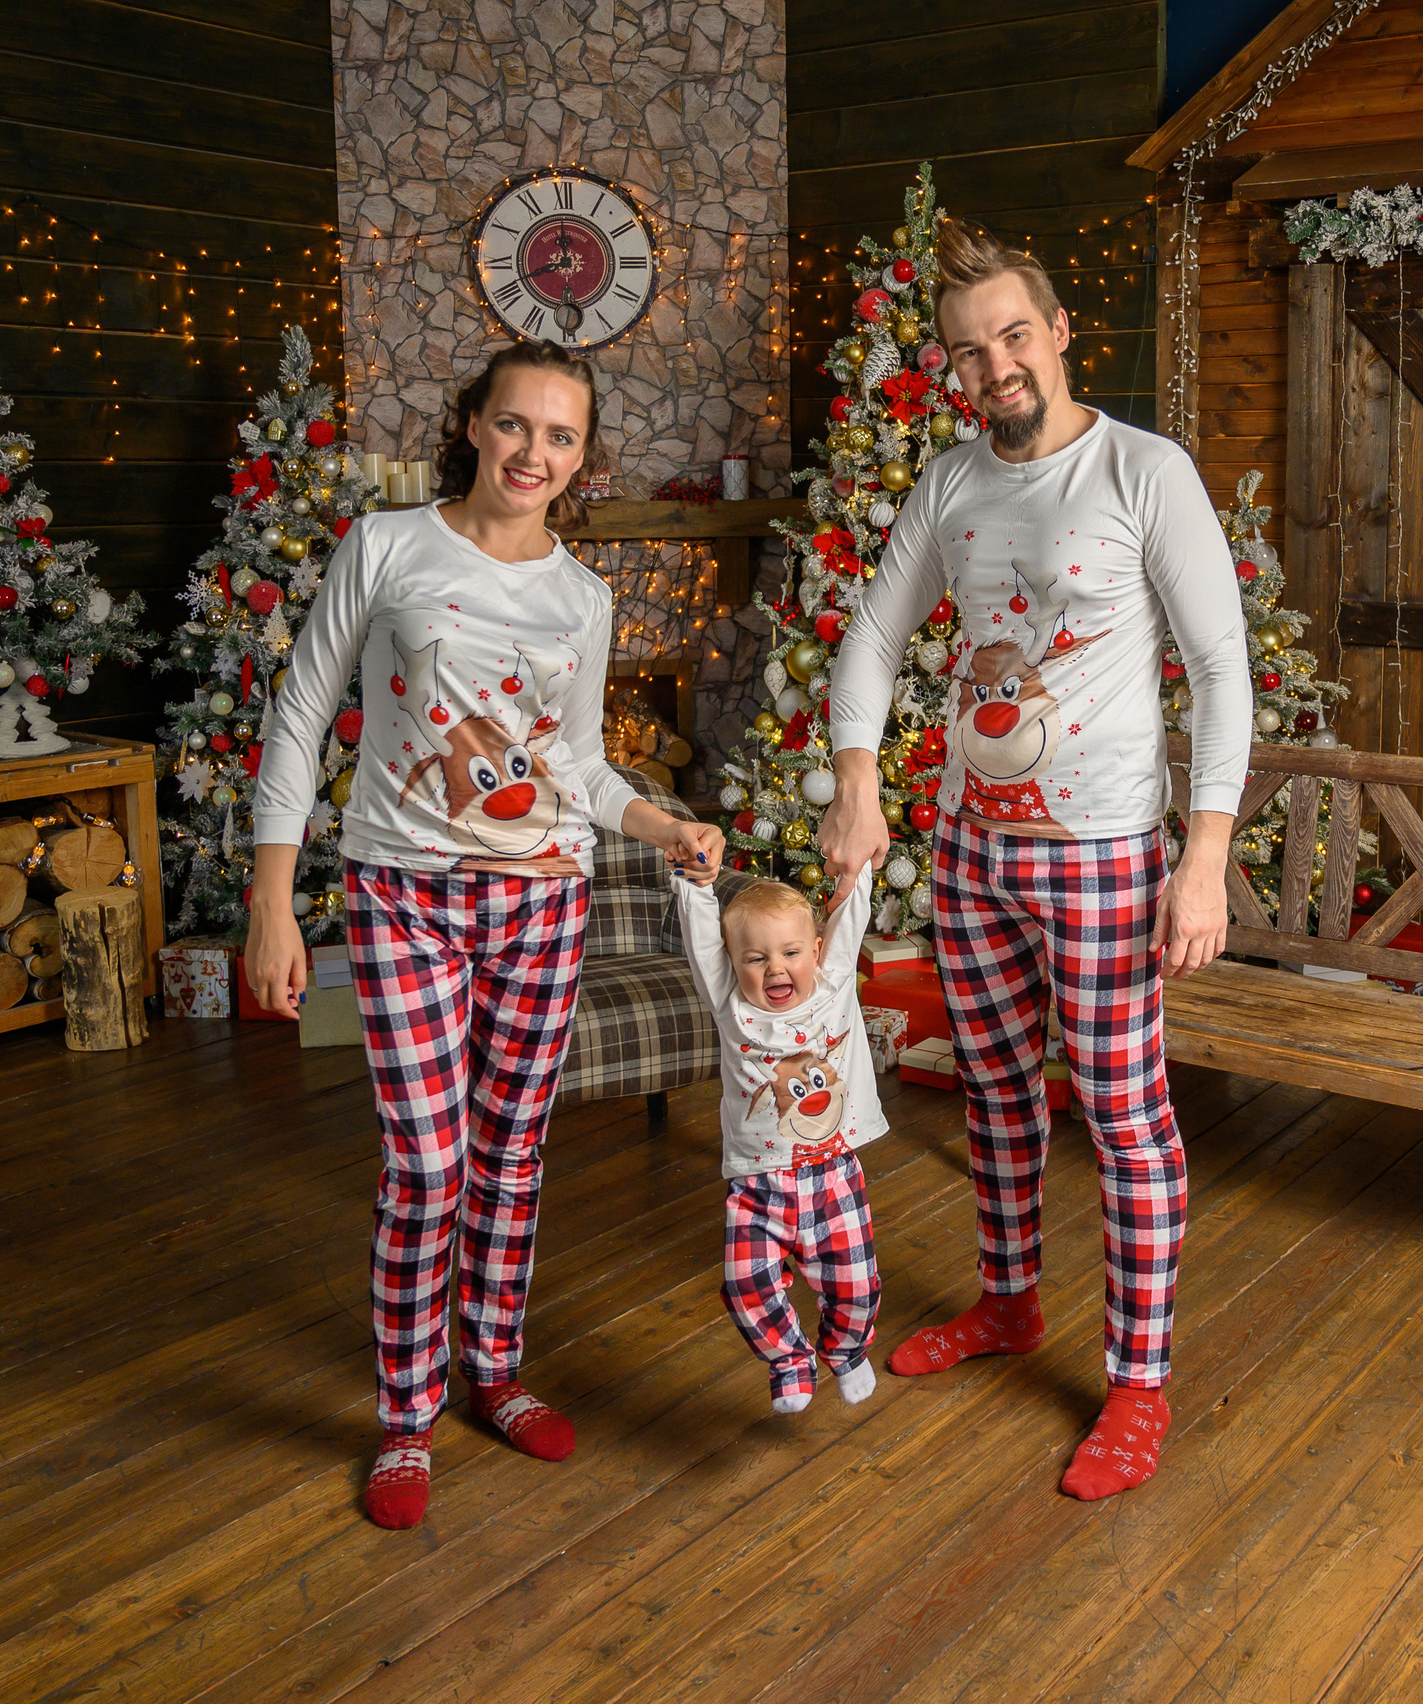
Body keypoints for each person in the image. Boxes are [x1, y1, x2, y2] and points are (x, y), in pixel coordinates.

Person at [244, 341, 722, 1530]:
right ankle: (406, 1419)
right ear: (471, 424)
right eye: (515, 426)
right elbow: (303, 711)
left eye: (560, 437)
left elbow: (573, 761)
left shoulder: (579, 595)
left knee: (510, 1158)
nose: (533, 454)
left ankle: (495, 1369)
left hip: (541, 901)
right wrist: (269, 900)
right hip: (402, 894)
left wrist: (660, 825)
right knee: (427, 1164)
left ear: (579, 456)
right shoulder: (387, 547)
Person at [817, 221, 1250, 1500]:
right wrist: (856, 782)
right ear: (950, 371)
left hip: (1107, 857)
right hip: (973, 852)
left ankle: (1138, 1381)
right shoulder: (948, 485)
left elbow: (1221, 667)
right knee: (998, 1092)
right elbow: (870, 640)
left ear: (1059, 333)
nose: (994, 364)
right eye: (967, 351)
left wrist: (1207, 855)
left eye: (1013, 335)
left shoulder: (1142, 469)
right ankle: (1008, 1303)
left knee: (1123, 1122)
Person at [669, 860, 885, 1414]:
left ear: (816, 951)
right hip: (757, 1187)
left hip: (834, 1175)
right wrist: (694, 885)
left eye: (790, 953)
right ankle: (790, 1359)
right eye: (755, 958)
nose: (774, 969)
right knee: (747, 1287)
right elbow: (700, 943)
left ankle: (846, 1350)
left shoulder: (832, 986)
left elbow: (852, 911)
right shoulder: (730, 1007)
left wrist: (858, 866)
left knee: (856, 1287)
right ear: (733, 964)